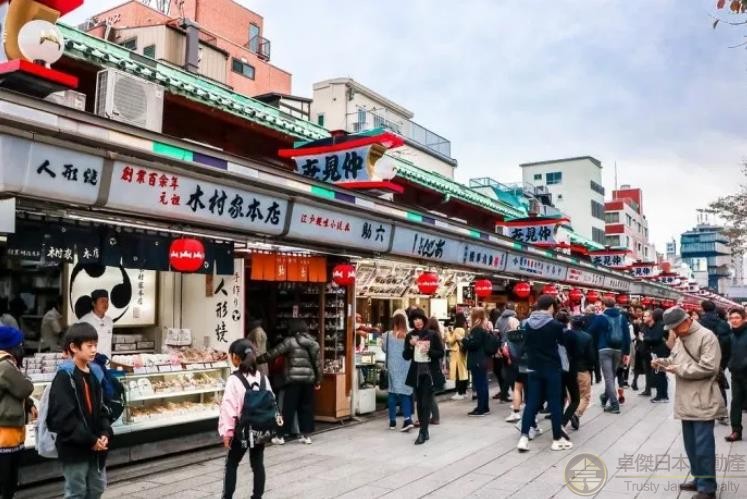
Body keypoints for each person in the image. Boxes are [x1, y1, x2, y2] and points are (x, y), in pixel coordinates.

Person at [653, 307, 725, 499]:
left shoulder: (706, 337)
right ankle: (699, 478)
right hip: (685, 400)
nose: (674, 331)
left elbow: (709, 367)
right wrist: (662, 362)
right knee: (691, 445)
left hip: (703, 399)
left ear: (686, 320)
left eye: (676, 327)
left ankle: (708, 488)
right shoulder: (679, 338)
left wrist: (679, 369)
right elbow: (675, 360)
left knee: (703, 447)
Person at [47, 323, 112, 499]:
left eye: (95, 345)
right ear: (74, 347)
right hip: (75, 447)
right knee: (76, 491)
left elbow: (103, 408)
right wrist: (90, 440)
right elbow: (64, 418)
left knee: (97, 488)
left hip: (97, 444)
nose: (93, 350)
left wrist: (105, 432)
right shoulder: (64, 377)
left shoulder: (94, 373)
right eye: (89, 345)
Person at [517, 295, 572, 452]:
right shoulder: (555, 325)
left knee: (531, 403)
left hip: (533, 368)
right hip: (552, 369)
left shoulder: (527, 324)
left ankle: (524, 437)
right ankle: (556, 439)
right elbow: (563, 345)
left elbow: (525, 345)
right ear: (550, 307)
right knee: (555, 403)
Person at [219, 339, 270, 499]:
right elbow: (271, 401)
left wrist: (226, 432)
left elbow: (229, 408)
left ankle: (227, 497)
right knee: (257, 463)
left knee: (232, 463)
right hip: (260, 428)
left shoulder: (235, 380)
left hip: (241, 430)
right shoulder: (263, 378)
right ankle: (257, 496)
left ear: (235, 357)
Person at [257, 319, 321, 445]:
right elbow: (318, 364)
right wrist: (318, 380)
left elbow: (272, 354)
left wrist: (256, 360)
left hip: (294, 380)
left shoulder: (289, 342)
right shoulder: (313, 343)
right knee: (306, 407)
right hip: (308, 380)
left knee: (288, 408)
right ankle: (306, 436)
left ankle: (281, 436)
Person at [0, 326, 34, 499]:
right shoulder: (5, 365)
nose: (22, 347)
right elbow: (25, 387)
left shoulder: (7, 364)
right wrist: (27, 379)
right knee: (6, 481)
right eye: (19, 343)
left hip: (9, 432)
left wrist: (29, 404)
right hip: (5, 435)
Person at [403, 309, 444, 445]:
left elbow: (440, 353)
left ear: (424, 319)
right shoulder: (410, 335)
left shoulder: (432, 334)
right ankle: (424, 430)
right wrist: (410, 346)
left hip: (429, 374)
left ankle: (422, 431)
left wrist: (429, 351)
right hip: (416, 374)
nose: (418, 322)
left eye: (420, 318)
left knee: (426, 402)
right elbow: (406, 356)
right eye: (415, 319)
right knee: (419, 403)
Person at [587, 299, 631, 414]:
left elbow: (590, 332)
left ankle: (614, 404)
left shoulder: (601, 317)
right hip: (618, 350)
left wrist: (597, 343)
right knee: (611, 376)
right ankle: (605, 397)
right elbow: (627, 337)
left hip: (604, 349)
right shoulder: (622, 318)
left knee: (609, 377)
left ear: (604, 305)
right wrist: (626, 353)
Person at [699, 300, 732, 426]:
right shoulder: (723, 324)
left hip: (703, 360)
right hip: (719, 361)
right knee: (719, 386)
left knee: (703, 386)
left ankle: (705, 412)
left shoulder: (700, 323)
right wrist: (723, 362)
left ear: (703, 309)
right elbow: (728, 344)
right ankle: (723, 414)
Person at [381, 313, 414, 431]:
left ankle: (392, 422)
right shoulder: (408, 336)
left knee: (392, 394)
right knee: (405, 393)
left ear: (393, 323)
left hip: (392, 367)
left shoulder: (387, 336)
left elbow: (384, 349)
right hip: (406, 367)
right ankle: (407, 418)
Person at [567, 316, 595, 429]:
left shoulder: (566, 335)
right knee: (585, 396)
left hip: (568, 370)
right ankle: (576, 414)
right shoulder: (587, 337)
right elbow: (591, 356)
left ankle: (572, 412)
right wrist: (591, 368)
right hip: (582, 369)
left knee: (571, 395)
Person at [725, 308, 747, 442]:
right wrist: (729, 365)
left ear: (744, 319)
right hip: (736, 375)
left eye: (737, 317)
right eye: (732, 318)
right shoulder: (731, 336)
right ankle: (736, 431)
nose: (734, 320)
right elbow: (728, 354)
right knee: (736, 403)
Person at [464, 308, 491, 417]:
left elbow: (473, 344)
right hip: (483, 359)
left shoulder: (477, 329)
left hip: (477, 360)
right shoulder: (484, 328)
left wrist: (464, 341)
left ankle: (481, 408)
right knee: (483, 384)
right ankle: (484, 406)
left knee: (480, 384)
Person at [494, 304, 521, 402]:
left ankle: (506, 394)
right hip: (512, 347)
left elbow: (496, 334)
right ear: (514, 309)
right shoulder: (514, 319)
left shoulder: (499, 319)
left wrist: (498, 347)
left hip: (503, 347)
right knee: (513, 372)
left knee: (508, 371)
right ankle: (512, 394)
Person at [79, 290, 114, 358]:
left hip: (107, 363)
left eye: (107, 301)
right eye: (102, 301)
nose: (105, 304)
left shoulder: (110, 321)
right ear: (93, 303)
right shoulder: (85, 321)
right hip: (91, 363)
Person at [446, 313, 469, 401]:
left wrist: (448, 333)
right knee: (464, 372)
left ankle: (459, 392)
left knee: (458, 373)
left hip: (456, 353)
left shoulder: (457, 330)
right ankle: (464, 391)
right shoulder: (464, 329)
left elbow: (451, 341)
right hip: (463, 353)